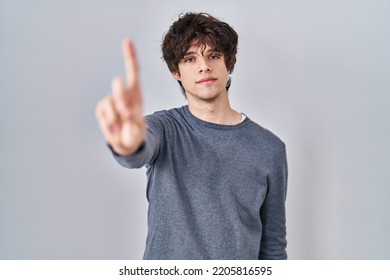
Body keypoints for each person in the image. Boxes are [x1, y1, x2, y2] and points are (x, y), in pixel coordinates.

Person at [95, 12, 288, 260]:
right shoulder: (163, 129)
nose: (203, 66)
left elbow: (272, 248)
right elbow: (139, 150)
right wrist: (128, 146)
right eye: (190, 59)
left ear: (228, 64)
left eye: (214, 56)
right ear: (176, 72)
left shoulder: (269, 148)